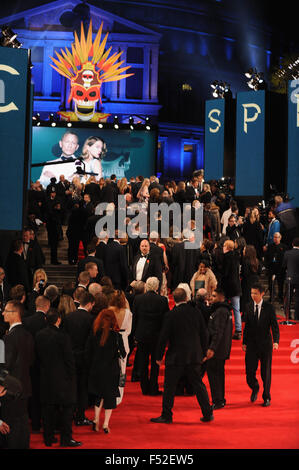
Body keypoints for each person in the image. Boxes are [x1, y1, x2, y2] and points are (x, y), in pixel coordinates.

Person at [150, 288, 213, 424]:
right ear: (186, 297)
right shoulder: (196, 312)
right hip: (194, 355)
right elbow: (204, 333)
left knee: (169, 387)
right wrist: (204, 351)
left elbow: (163, 337)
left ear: (175, 299)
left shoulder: (171, 315)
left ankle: (167, 415)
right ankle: (208, 413)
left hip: (176, 357)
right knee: (198, 385)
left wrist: (159, 357)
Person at [35, 308, 81, 447]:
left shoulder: (38, 335)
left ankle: (48, 439)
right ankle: (66, 439)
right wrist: (72, 376)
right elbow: (69, 360)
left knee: (48, 410)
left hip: (45, 378)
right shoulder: (63, 337)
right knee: (67, 411)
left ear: (45, 319)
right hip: (63, 380)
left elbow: (37, 357)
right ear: (58, 320)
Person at [85, 309, 126, 433]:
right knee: (110, 397)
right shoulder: (116, 336)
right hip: (111, 371)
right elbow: (123, 354)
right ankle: (106, 424)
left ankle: (96, 418)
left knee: (99, 395)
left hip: (96, 369)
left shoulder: (94, 334)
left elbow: (88, 353)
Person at [1, 300, 34, 449]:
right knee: (22, 427)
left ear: (15, 314)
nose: (2, 313)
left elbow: (4, 367)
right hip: (25, 388)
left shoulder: (8, 338)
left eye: (6, 311)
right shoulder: (28, 335)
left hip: (10, 392)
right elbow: (31, 361)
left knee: (11, 431)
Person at [242, 283, 280, 407]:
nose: (253, 296)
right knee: (249, 373)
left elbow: (274, 326)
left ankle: (266, 396)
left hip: (265, 345)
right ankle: (255, 386)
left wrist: (276, 341)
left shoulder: (269, 307)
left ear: (262, 293)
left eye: (255, 293)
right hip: (252, 345)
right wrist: (244, 342)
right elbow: (246, 326)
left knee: (266, 372)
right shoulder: (248, 306)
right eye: (251, 293)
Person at [62, 291, 95, 426]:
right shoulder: (91, 319)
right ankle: (80, 417)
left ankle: (69, 414)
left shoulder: (68, 317)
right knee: (82, 388)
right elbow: (91, 342)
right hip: (84, 358)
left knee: (70, 387)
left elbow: (63, 338)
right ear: (89, 304)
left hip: (69, 357)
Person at [132, 277, 169, 396]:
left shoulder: (138, 299)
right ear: (157, 287)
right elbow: (166, 320)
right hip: (156, 336)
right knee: (155, 362)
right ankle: (153, 388)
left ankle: (144, 387)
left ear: (146, 286)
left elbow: (135, 318)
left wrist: (134, 335)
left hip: (142, 335)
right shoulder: (162, 300)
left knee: (142, 362)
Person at [204, 288, 232, 410]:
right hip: (221, 349)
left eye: (214, 296)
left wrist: (212, 348)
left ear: (222, 298)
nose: (211, 298)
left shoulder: (220, 311)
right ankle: (220, 399)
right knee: (219, 374)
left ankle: (218, 400)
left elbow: (218, 332)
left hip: (217, 350)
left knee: (214, 375)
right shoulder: (225, 310)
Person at [108, 290, 132, 404]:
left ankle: (109, 393)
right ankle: (119, 397)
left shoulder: (109, 311)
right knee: (122, 369)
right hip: (123, 339)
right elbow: (129, 330)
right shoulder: (128, 313)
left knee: (110, 367)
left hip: (110, 340)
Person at [221, 240, 242, 340]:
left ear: (227, 247)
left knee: (224, 308)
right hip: (236, 285)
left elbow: (225, 273)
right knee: (236, 309)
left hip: (228, 286)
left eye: (224, 246)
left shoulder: (226, 257)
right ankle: (238, 330)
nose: (222, 247)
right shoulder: (236, 256)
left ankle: (225, 328)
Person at [265, 233, 287, 303]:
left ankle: (280, 297)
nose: (275, 239)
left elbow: (285, 258)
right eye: (274, 237)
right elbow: (266, 257)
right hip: (271, 268)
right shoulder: (270, 247)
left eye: (277, 237)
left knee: (280, 284)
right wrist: (267, 265)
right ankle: (271, 297)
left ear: (280, 238)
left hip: (281, 269)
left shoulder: (284, 247)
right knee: (271, 284)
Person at [282, 237, 299, 320]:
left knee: (288, 298)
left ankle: (287, 316)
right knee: (298, 298)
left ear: (292, 244)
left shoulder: (287, 253)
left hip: (289, 278)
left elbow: (284, 265)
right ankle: (297, 316)